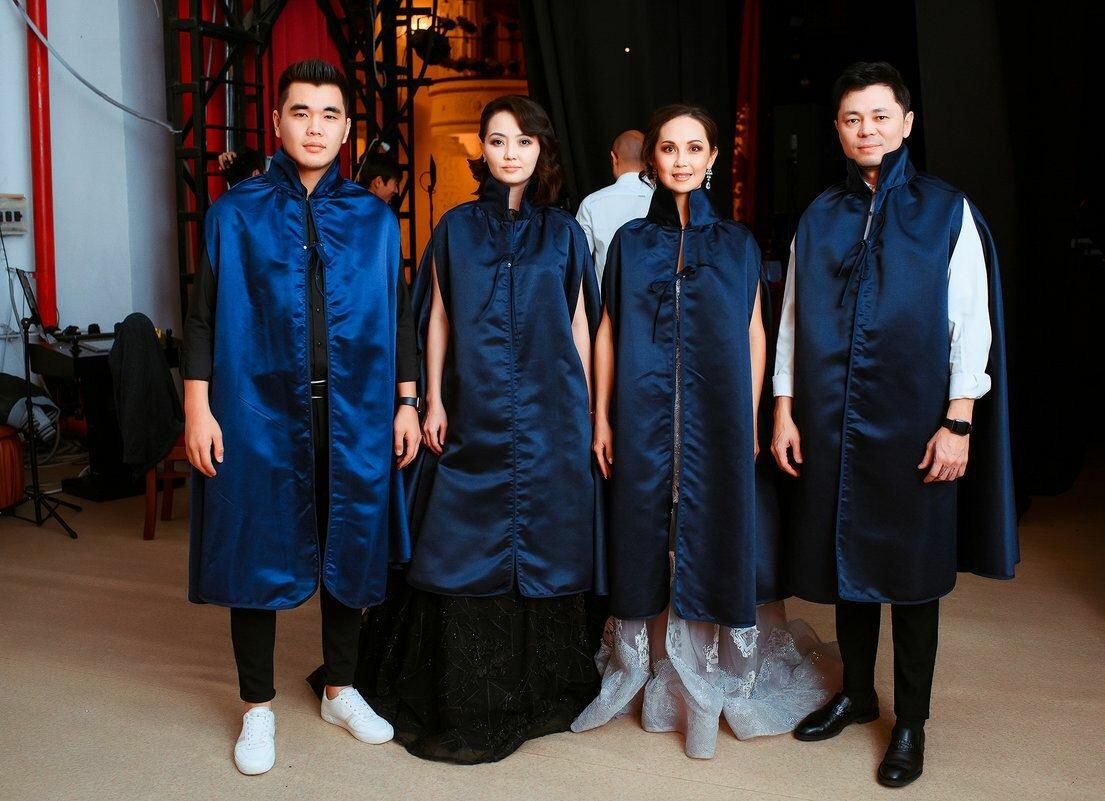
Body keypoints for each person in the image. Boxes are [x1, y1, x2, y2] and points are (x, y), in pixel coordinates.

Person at [771, 62, 1018, 787]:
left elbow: (970, 322)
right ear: (838, 130)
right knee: (846, 565)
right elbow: (791, 321)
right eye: (852, 119)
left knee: (911, 579)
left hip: (914, 422)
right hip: (829, 419)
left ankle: (910, 721)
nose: (866, 130)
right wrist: (784, 409)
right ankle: (856, 693)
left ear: (906, 123)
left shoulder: (946, 211)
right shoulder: (819, 216)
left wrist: (959, 421)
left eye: (880, 116)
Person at [570, 105, 836, 760]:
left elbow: (754, 332)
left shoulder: (737, 243)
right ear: (652, 160)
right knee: (644, 526)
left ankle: (713, 672)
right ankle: (650, 665)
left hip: (719, 415)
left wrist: (750, 415)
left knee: (713, 526)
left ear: (713, 158)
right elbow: (607, 332)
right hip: (640, 412)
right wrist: (601, 416)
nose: (682, 160)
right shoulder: (630, 242)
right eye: (669, 148)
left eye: (695, 148)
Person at [182, 59, 422, 776]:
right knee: (254, 548)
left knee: (350, 543)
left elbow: (398, 315)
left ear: (347, 130)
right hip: (256, 412)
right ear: (277, 121)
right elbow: (202, 317)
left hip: (356, 411)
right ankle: (256, 706)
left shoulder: (374, 220)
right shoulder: (235, 213)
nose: (315, 127)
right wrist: (197, 408)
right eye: (301, 112)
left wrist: (407, 401)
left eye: (329, 115)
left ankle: (340, 689)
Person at [353, 94, 603, 765]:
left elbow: (580, 325)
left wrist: (587, 411)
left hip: (552, 409)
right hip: (471, 406)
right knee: (458, 535)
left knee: (545, 539)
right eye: (498, 140)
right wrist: (430, 400)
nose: (511, 152)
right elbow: (436, 316)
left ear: (542, 151)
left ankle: (540, 686)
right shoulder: (455, 227)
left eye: (524, 140)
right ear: (482, 151)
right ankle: (462, 686)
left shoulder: (565, 233)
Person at [575, 130, 653, 284]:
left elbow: (577, 265)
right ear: (651, 159)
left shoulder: (591, 203)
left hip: (608, 298)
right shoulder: (666, 201)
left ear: (614, 158)